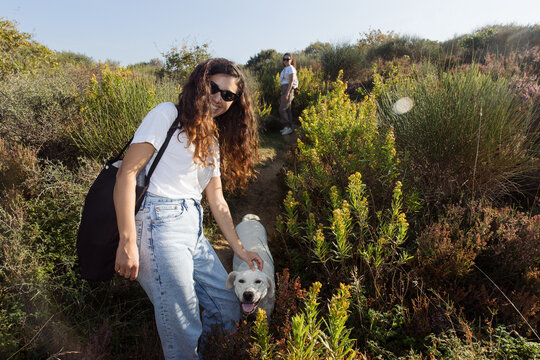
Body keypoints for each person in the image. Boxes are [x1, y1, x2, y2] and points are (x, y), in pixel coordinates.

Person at [113, 58, 264, 359]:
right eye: (213, 88)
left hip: (192, 226)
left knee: (226, 305)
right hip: (158, 224)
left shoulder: (213, 141)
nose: (219, 98)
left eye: (229, 95)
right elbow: (126, 174)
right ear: (200, 84)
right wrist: (127, 242)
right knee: (183, 323)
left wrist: (239, 249)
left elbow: (217, 200)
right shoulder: (167, 114)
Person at [278, 53, 298, 136]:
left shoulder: (291, 69)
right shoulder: (285, 69)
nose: (285, 60)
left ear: (291, 60)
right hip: (284, 88)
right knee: (287, 109)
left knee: (282, 109)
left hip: (288, 89)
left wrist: (287, 93)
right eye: (284, 59)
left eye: (287, 59)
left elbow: (291, 82)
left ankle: (288, 127)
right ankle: (288, 128)